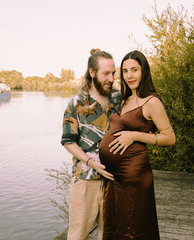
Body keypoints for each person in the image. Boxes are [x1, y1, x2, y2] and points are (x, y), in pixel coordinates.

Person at [99, 50, 176, 240]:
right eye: (125, 71)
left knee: (133, 227)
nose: (129, 76)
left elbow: (169, 137)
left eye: (134, 70)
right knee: (116, 224)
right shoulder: (125, 99)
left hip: (134, 175)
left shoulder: (151, 102)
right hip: (115, 176)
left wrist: (135, 135)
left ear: (144, 71)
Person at [61, 48, 121, 240]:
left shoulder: (119, 99)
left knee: (111, 235)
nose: (111, 78)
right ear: (92, 72)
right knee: (78, 236)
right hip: (85, 179)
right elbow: (68, 142)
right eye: (106, 73)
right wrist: (90, 162)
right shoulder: (76, 103)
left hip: (115, 180)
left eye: (113, 73)